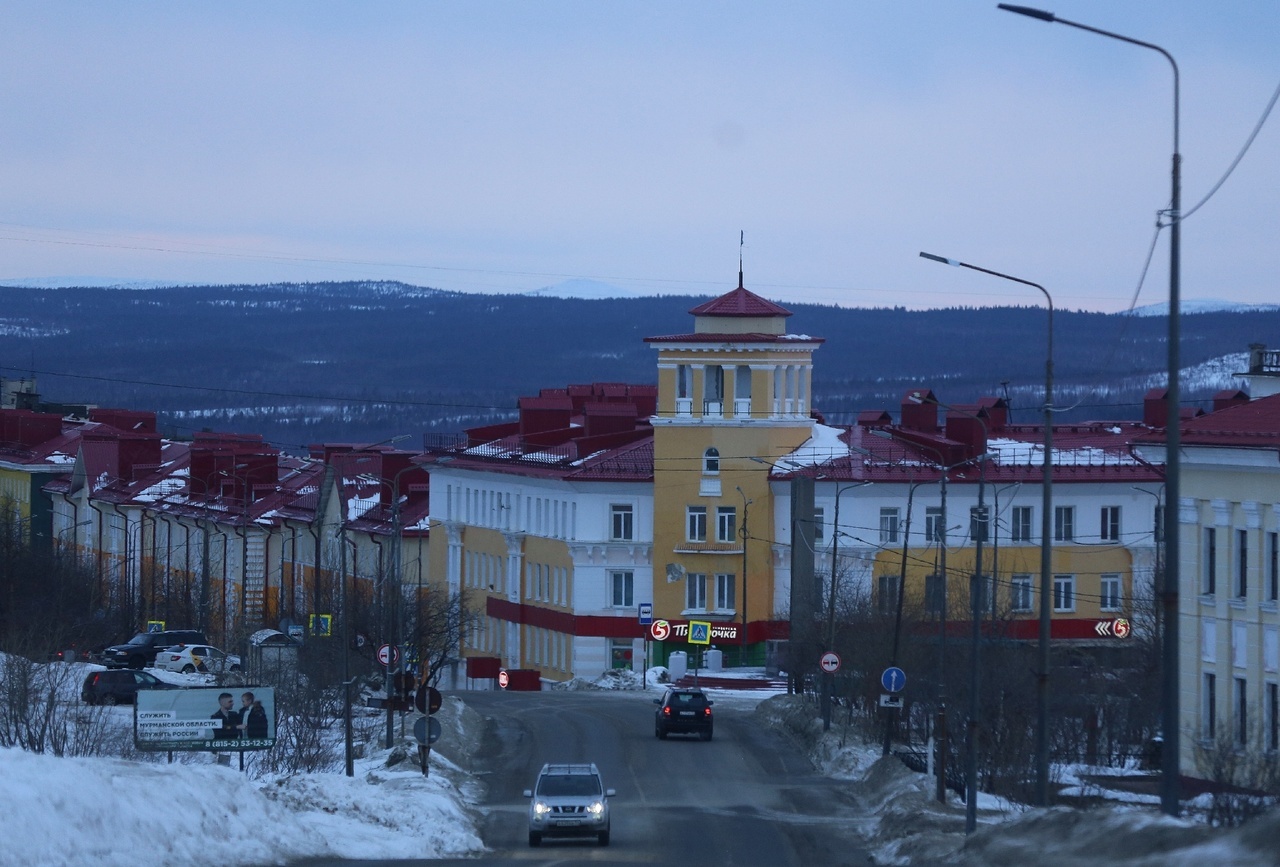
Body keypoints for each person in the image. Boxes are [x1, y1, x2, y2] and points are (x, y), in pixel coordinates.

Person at [210, 692, 237, 764]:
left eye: (232, 701)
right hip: (220, 746)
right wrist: (234, 727)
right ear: (223, 703)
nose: (232, 703)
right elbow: (219, 730)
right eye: (230, 701)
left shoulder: (234, 715)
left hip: (236, 746)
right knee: (222, 768)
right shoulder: (215, 716)